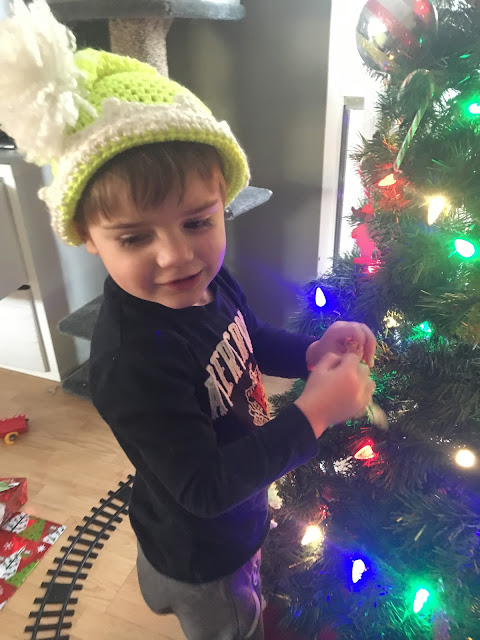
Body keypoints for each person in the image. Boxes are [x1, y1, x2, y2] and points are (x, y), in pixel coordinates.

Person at [0, 3, 378, 638]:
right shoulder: (131, 364)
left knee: (168, 552)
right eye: (134, 236)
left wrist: (310, 354)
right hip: (208, 556)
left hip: (195, 506)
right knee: (235, 622)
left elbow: (249, 340)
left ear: (222, 204)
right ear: (88, 237)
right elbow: (203, 490)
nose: (177, 256)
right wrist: (313, 414)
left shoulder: (211, 281)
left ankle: (159, 586)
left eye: (198, 221)